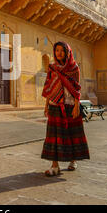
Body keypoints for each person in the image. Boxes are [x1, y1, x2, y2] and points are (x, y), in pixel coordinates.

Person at [41, 41, 90, 176]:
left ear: (68, 52)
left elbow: (76, 89)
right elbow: (49, 88)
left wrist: (76, 106)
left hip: (70, 106)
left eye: (62, 50)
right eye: (56, 50)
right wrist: (46, 106)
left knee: (71, 135)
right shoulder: (52, 68)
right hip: (55, 105)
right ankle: (54, 166)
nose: (59, 53)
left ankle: (73, 160)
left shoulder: (74, 68)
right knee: (53, 137)